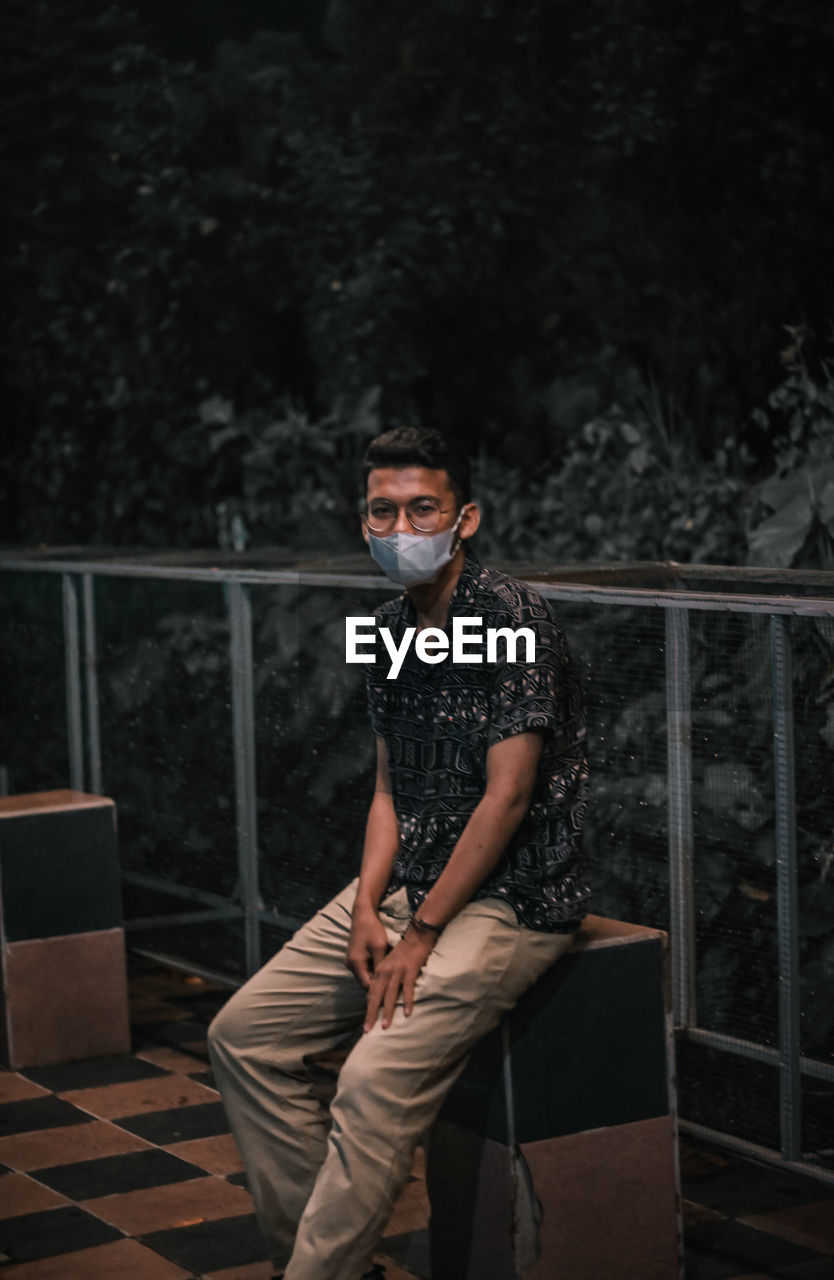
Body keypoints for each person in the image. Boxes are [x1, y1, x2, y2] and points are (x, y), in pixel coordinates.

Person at [208, 427, 590, 1280]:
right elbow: (388, 788)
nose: (402, 525)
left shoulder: (513, 617)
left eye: (423, 508)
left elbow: (509, 795)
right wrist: (365, 908)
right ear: (363, 522)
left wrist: (417, 931)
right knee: (244, 1037)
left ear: (466, 519)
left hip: (509, 899)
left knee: (371, 1080)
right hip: (409, 886)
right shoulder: (386, 627)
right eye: (384, 510)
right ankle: (329, 1265)